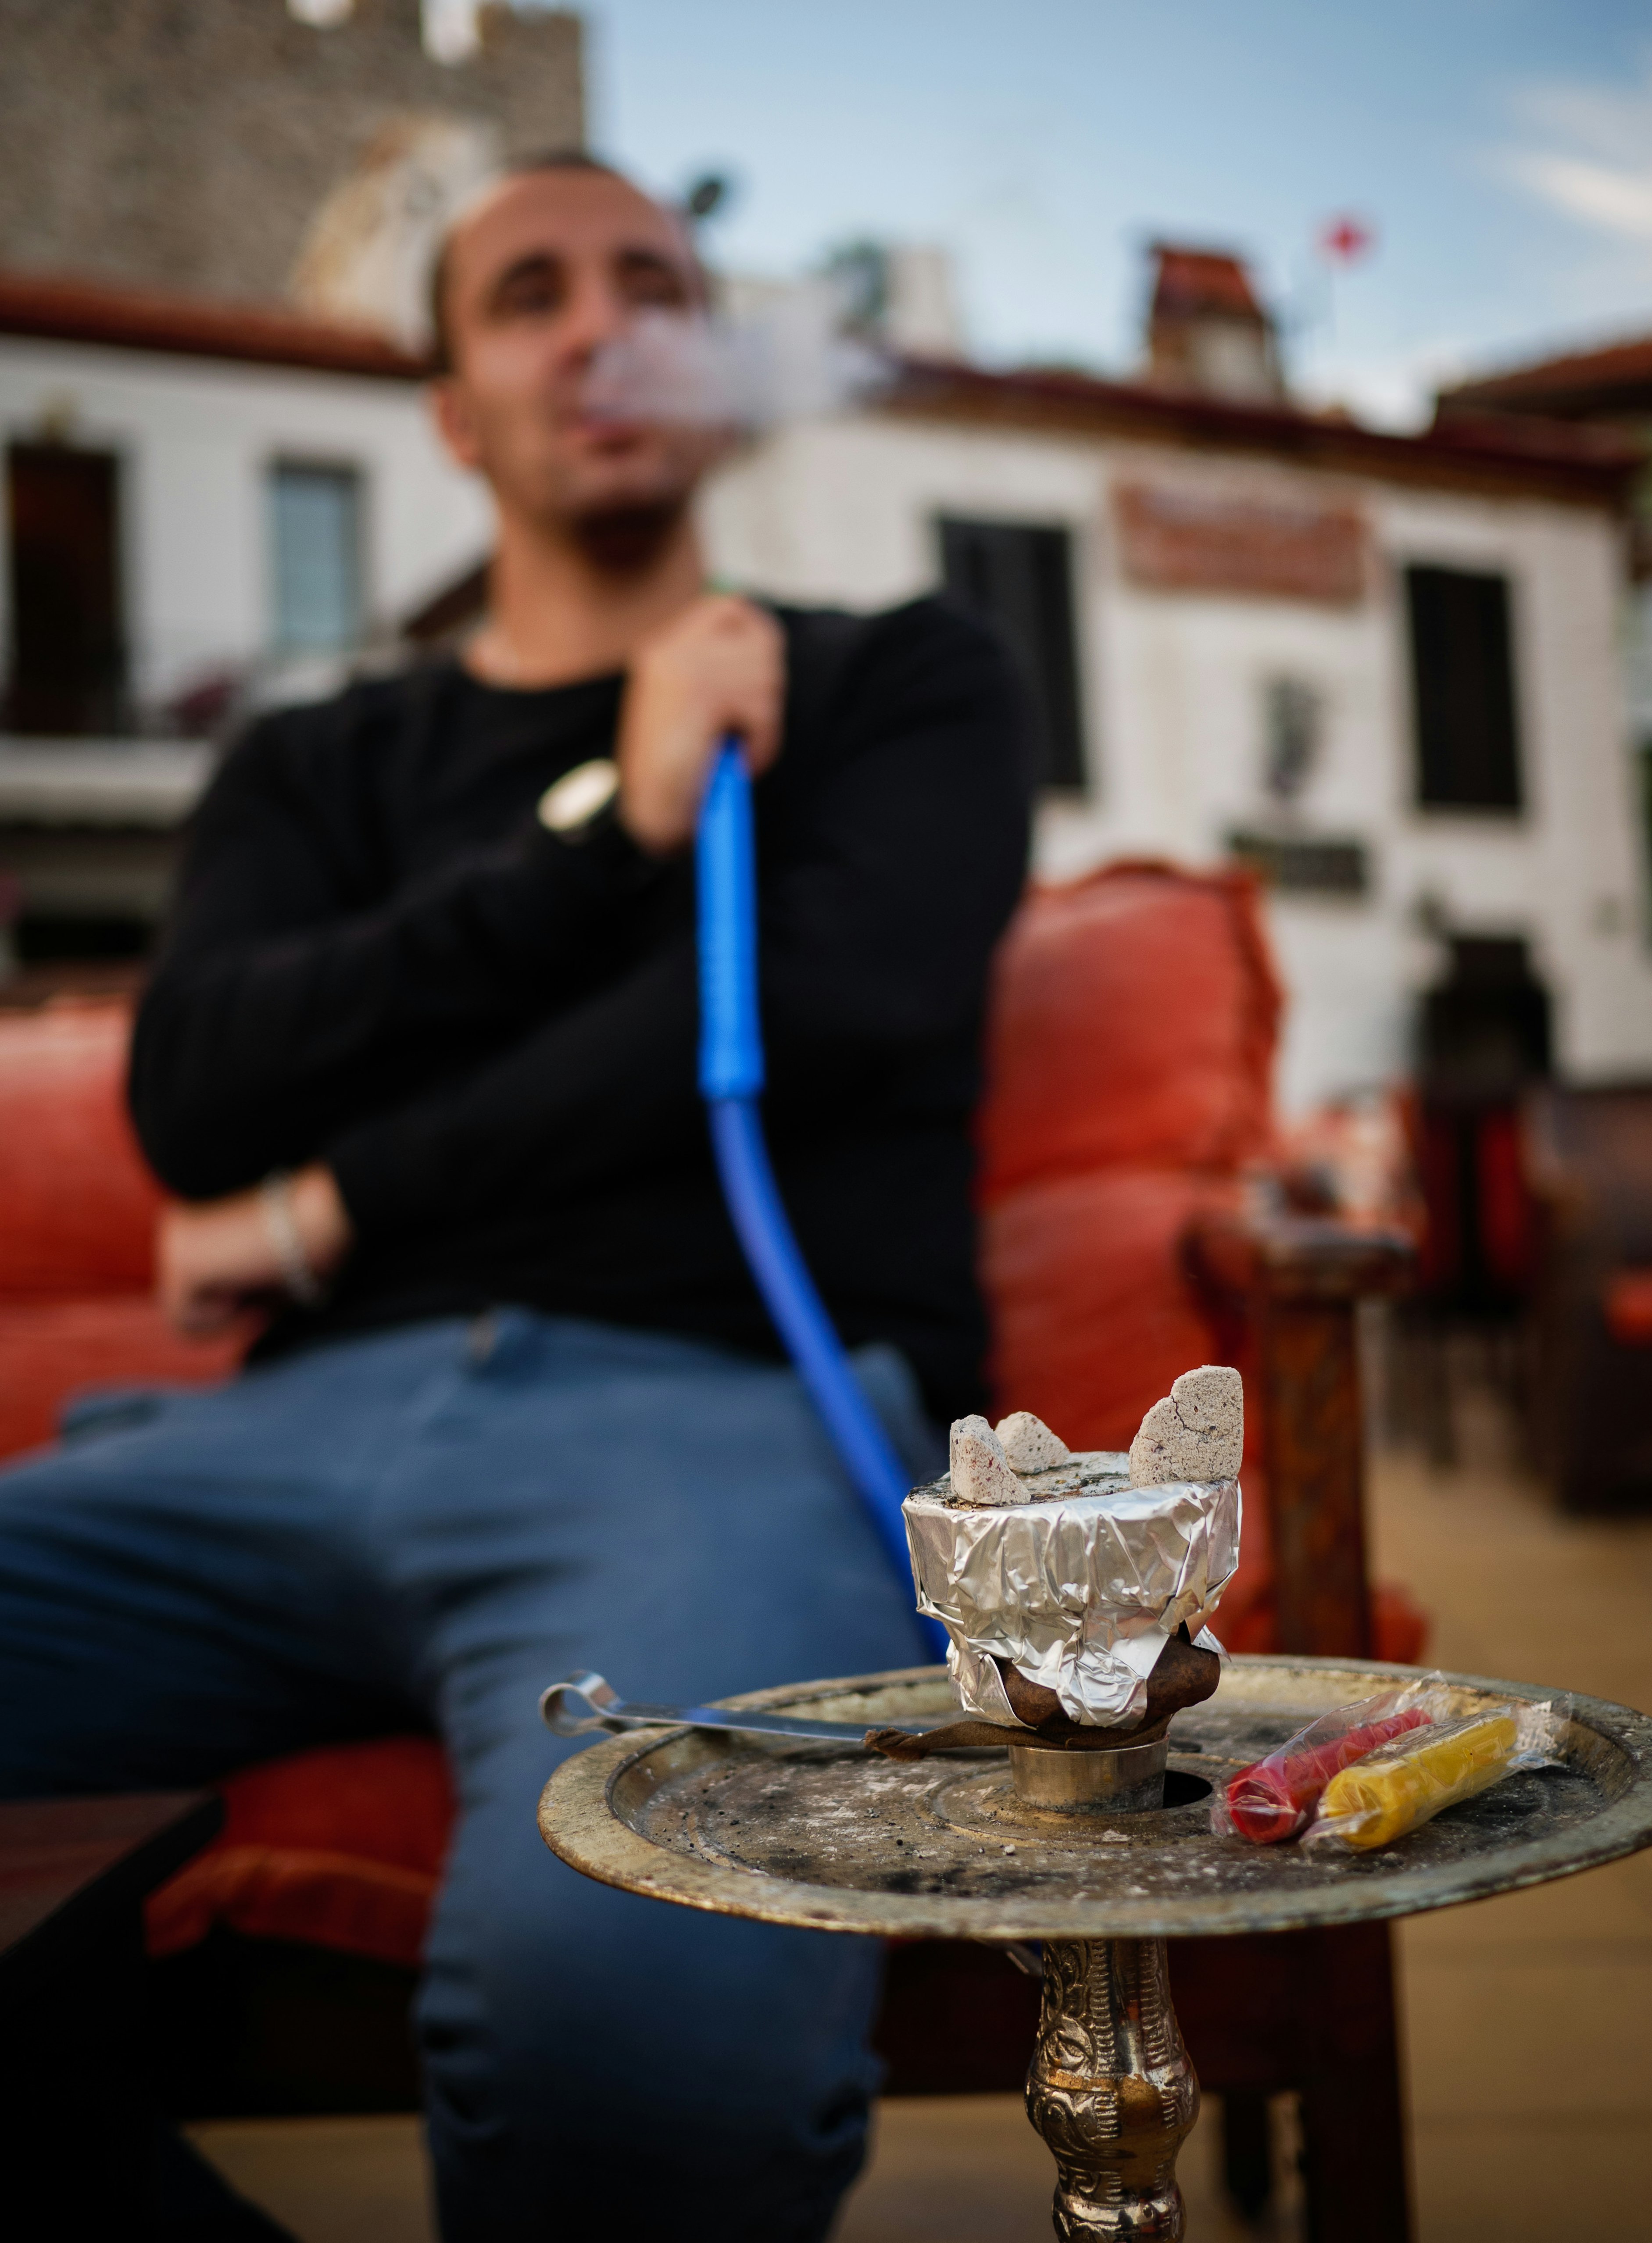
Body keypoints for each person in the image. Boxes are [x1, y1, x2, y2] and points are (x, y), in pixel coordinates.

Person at [0, 155, 1029, 2240]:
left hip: (717, 1421)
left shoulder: (898, 683)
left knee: (625, 2004)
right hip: (274, 1448)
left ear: (725, 376)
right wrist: (608, 829)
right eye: (529, 295)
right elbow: (199, 1093)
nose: (599, 325)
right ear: (457, 413)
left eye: (652, 284)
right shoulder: (321, 766)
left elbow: (828, 1007)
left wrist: (327, 1208)